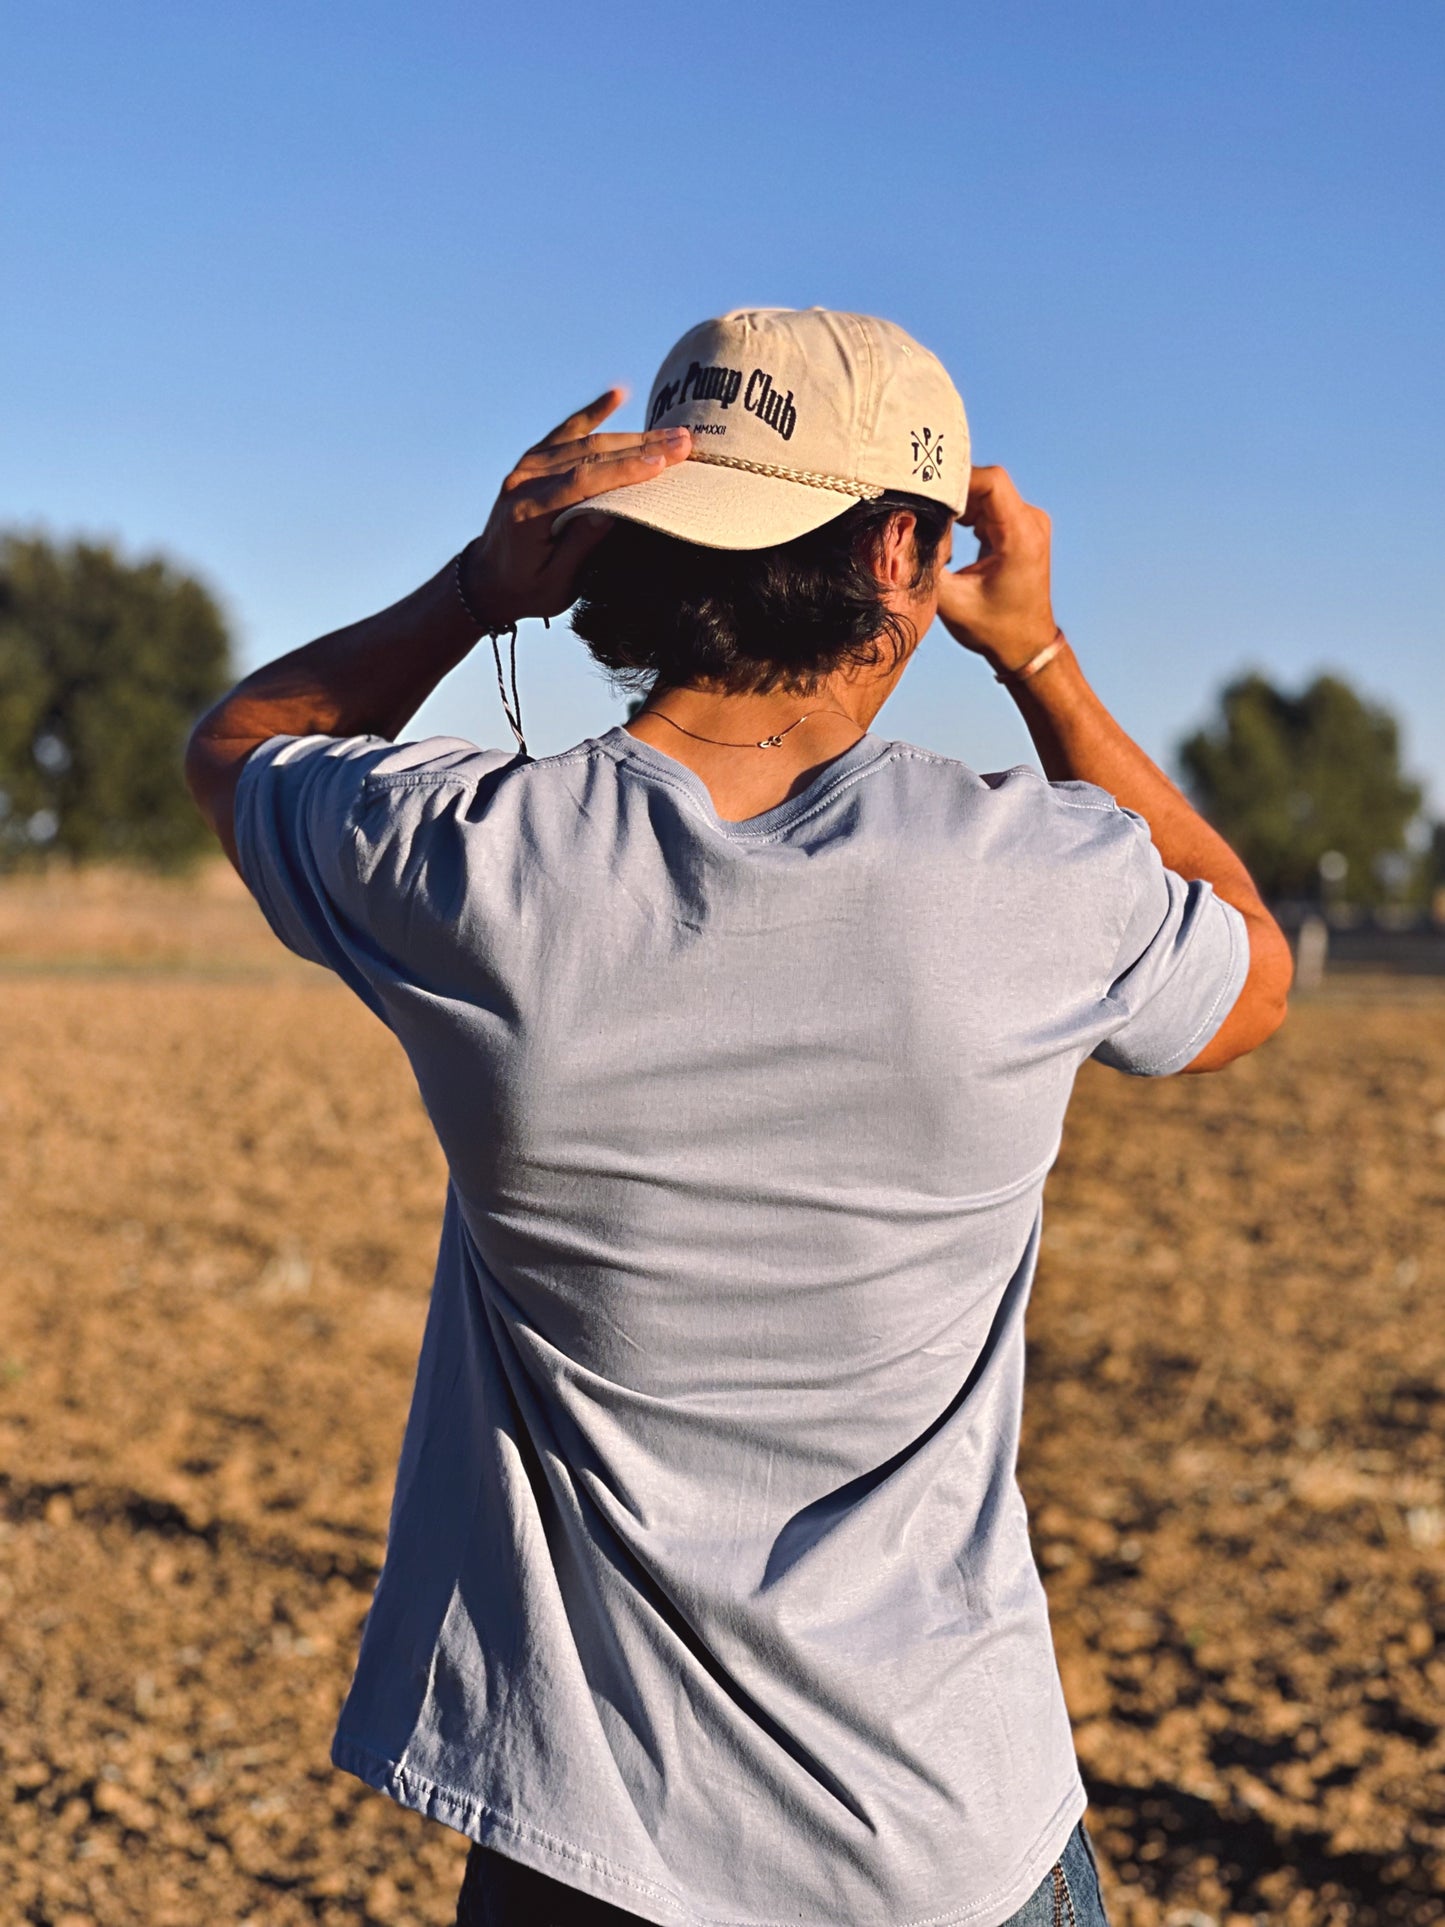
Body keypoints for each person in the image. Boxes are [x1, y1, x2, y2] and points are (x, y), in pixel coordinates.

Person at [186, 307, 1292, 1927]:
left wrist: (474, 590)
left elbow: (241, 751)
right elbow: (1250, 969)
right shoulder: (1034, 882)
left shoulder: (474, 863)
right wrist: (1038, 657)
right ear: (907, 551)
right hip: (938, 1838)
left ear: (623, 537)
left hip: (586, 1848)